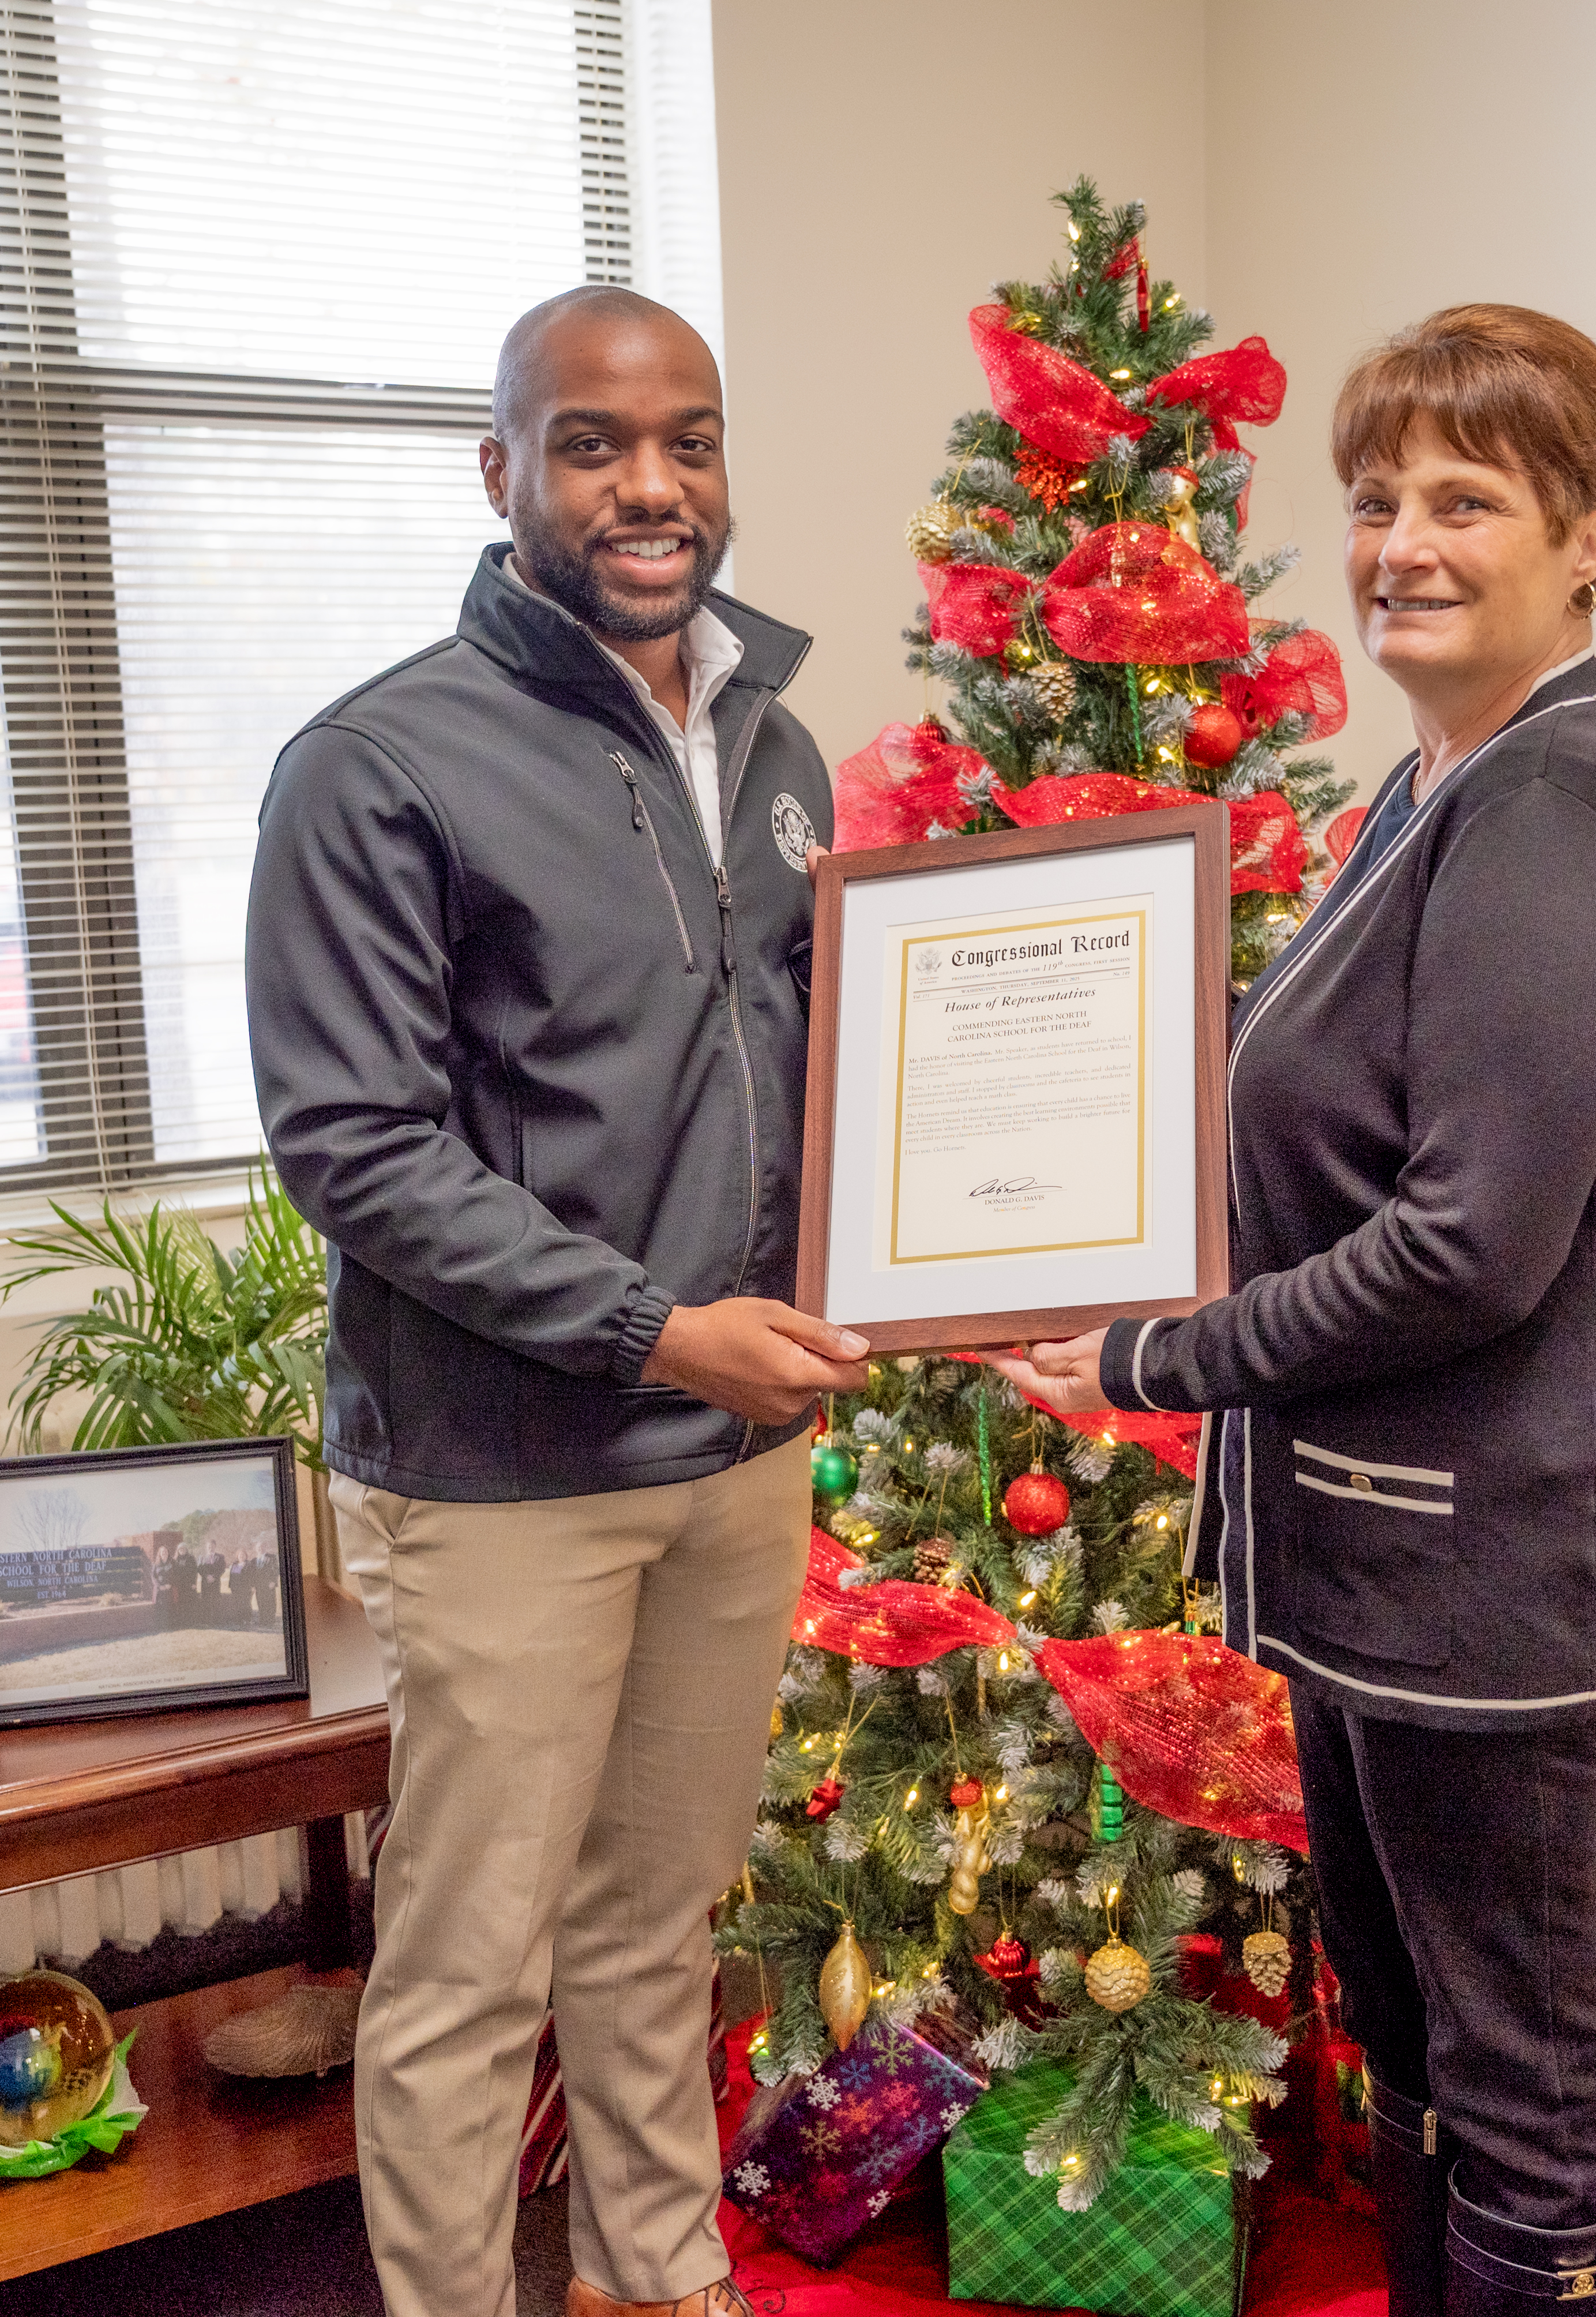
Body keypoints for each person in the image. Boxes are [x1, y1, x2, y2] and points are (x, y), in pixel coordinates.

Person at [990, 306, 1596, 2317]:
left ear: (1587, 537)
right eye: (1376, 498)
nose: (1402, 543)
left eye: (1466, 501)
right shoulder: (1439, 786)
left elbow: (1467, 1248)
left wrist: (1154, 1357)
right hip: (1400, 1573)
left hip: (1498, 1596)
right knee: (1413, 2050)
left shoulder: (1560, 810)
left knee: (1523, 2101)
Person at [245, 285, 868, 2317]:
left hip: (739, 1454)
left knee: (658, 1921)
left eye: (688, 440)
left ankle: (654, 2280)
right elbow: (356, 1147)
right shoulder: (377, 766)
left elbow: (815, 1074)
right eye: (592, 445)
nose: (649, 484)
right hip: (508, 1467)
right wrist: (657, 1330)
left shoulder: (777, 746)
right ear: (502, 469)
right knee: (468, 1962)